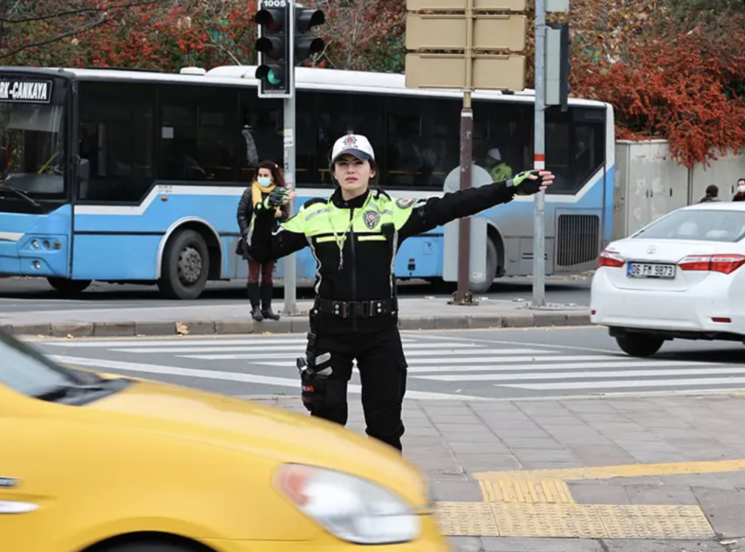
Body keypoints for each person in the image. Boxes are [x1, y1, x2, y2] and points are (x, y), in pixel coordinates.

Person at [245, 134, 554, 452]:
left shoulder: (392, 212)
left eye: (358, 163)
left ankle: (384, 482)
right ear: (333, 172)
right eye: (343, 163)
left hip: (379, 333)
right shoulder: (314, 215)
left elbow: (453, 205)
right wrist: (264, 212)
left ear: (372, 170)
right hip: (329, 332)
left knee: (385, 427)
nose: (351, 169)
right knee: (327, 422)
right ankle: (330, 483)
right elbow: (258, 250)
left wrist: (509, 188)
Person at [236, 161, 289, 321]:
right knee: (253, 274)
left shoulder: (278, 193)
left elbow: (286, 215)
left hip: (270, 239)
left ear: (273, 177)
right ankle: (255, 309)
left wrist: (280, 215)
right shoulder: (250, 192)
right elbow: (241, 214)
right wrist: (246, 232)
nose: (262, 178)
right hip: (253, 239)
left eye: (265, 175)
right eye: (260, 175)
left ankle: (267, 308)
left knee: (268, 275)